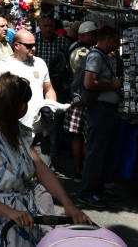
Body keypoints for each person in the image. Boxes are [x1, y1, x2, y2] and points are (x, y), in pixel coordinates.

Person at [0, 73, 89, 246]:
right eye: (25, 102)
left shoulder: (19, 131)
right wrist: (10, 212)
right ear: (17, 106)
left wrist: (68, 204)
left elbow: (41, 169)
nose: (27, 107)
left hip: (24, 219)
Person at [0, 29, 59, 216]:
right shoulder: (3, 66)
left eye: (34, 44)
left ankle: (46, 231)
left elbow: (49, 89)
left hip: (39, 135)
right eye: (29, 45)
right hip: (14, 136)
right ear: (16, 45)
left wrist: (51, 104)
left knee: (43, 182)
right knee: (17, 182)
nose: (33, 48)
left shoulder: (40, 63)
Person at [78, 26, 123, 209]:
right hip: (100, 110)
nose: (117, 45)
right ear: (107, 39)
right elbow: (89, 83)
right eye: (115, 41)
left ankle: (99, 188)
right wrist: (112, 85)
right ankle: (87, 192)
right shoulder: (96, 56)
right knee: (96, 152)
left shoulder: (103, 56)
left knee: (103, 153)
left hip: (107, 111)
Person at [63, 21, 98, 179]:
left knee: (78, 136)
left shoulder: (74, 47)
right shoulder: (82, 52)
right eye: (93, 34)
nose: (96, 37)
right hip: (83, 98)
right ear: (85, 35)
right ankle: (83, 169)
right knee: (84, 136)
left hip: (76, 97)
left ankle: (80, 168)